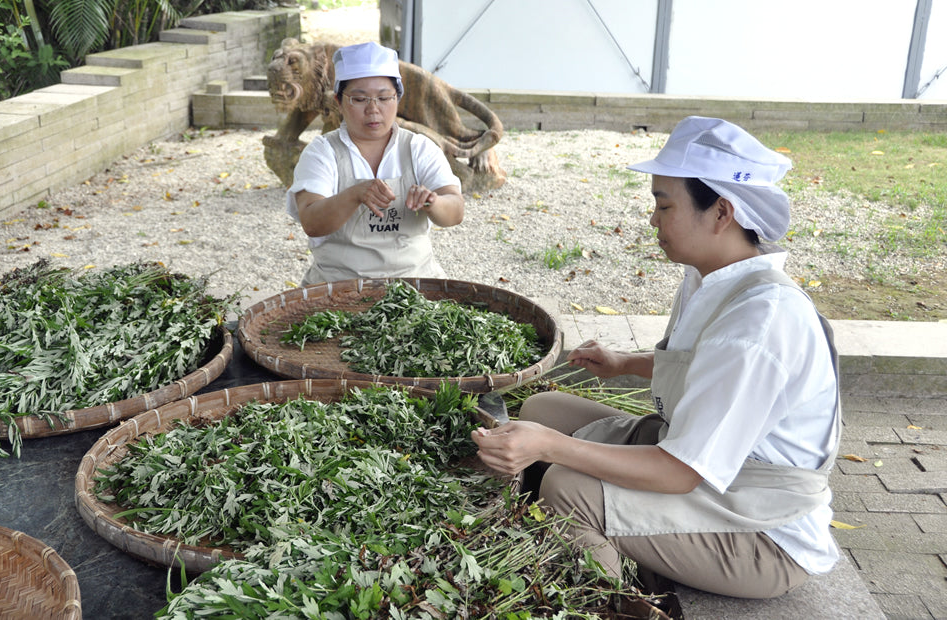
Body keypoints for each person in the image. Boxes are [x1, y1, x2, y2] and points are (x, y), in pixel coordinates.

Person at [472, 116, 841, 599]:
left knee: (565, 487)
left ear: (722, 213)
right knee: (543, 411)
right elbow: (706, 368)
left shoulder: (759, 325)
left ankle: (614, 600)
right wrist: (626, 363)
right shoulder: (714, 277)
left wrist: (549, 447)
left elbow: (680, 472)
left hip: (755, 523)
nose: (652, 220)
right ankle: (601, 529)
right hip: (704, 462)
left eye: (663, 205)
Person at [285, 41, 464, 285]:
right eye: (359, 99)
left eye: (383, 98)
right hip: (337, 289)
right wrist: (354, 195)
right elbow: (312, 222)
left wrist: (434, 202)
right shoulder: (323, 152)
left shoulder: (419, 148)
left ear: (397, 99)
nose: (373, 109)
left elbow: (455, 211)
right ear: (338, 101)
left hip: (415, 287)